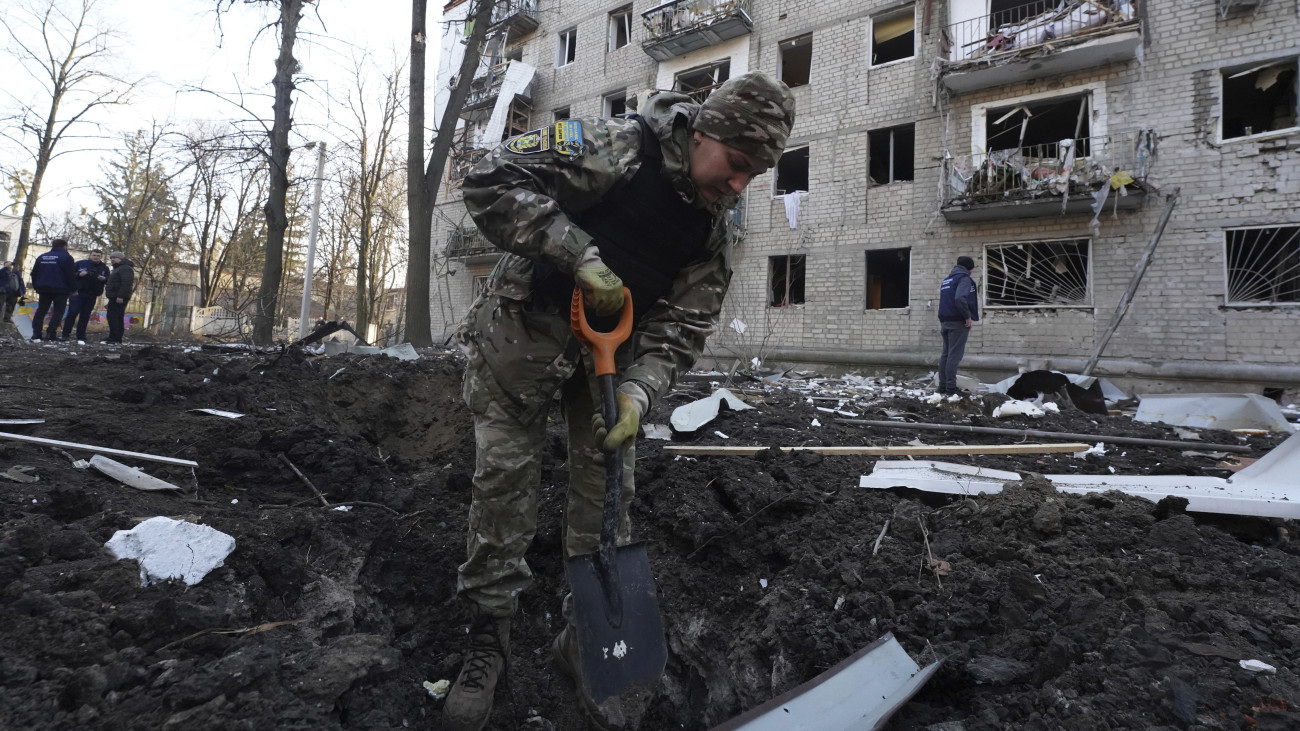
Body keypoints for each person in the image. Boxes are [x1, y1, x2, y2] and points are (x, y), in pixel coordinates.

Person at [445, 72, 795, 731]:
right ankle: (488, 637)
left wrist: (639, 392)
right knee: (503, 487)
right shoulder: (614, 147)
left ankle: (588, 646)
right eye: (737, 164)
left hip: (609, 362)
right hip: (523, 338)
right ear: (705, 133)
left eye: (757, 174)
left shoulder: (711, 231)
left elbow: (683, 327)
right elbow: (490, 175)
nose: (739, 185)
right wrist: (575, 251)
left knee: (610, 492)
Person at [937, 255, 980, 395]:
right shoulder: (964, 278)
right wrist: (967, 317)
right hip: (957, 322)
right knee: (954, 356)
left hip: (945, 321)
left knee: (946, 355)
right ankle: (950, 388)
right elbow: (959, 298)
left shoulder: (948, 279)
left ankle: (942, 387)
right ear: (969, 269)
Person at [28, 238, 77, 342]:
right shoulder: (67, 257)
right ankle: (51, 333)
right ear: (65, 246)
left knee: (41, 310)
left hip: (43, 289)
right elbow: (70, 275)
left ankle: (36, 334)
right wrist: (74, 289)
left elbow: (34, 273)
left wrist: (37, 286)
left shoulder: (42, 257)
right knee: (58, 311)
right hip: (60, 289)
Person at [62, 248, 110, 344]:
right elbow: (70, 275)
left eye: (98, 256)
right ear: (90, 255)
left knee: (85, 315)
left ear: (101, 257)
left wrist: (104, 279)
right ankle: (65, 334)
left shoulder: (104, 267)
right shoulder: (80, 263)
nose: (96, 257)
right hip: (77, 293)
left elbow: (109, 280)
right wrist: (79, 274)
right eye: (94, 255)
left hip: (92, 294)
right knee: (72, 313)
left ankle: (81, 336)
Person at [103, 251, 135, 344]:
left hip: (118, 297)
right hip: (114, 296)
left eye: (115, 258)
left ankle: (115, 338)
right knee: (114, 317)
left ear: (121, 259)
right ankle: (113, 337)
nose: (112, 259)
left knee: (115, 317)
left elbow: (126, 283)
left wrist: (121, 296)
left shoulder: (125, 268)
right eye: (111, 258)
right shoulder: (119, 268)